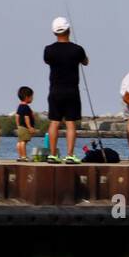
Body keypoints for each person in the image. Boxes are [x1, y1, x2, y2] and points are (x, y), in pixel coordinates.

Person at [43, 17, 89, 163]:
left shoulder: (48, 50)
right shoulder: (77, 49)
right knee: (70, 123)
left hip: (55, 91)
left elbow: (47, 61)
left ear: (54, 32)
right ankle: (69, 155)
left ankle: (52, 154)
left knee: (54, 122)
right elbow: (86, 61)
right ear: (69, 30)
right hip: (72, 91)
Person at [15, 87, 36, 162]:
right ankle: (24, 156)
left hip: (20, 127)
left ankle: (20, 156)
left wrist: (18, 126)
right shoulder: (26, 107)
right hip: (25, 127)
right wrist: (29, 127)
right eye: (32, 97)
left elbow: (17, 116)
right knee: (24, 142)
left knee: (20, 142)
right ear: (27, 97)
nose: (32, 99)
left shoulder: (20, 106)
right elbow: (26, 117)